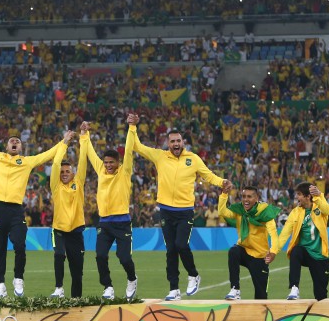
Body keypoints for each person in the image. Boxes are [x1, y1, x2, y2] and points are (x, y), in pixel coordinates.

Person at [0, 117, 67, 297]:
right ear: (6, 147)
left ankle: (18, 278)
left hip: (16, 210)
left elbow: (48, 154)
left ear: (21, 148)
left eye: (18, 141)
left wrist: (64, 142)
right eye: (11, 141)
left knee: (20, 245)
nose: (14, 142)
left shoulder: (27, 162)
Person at [133, 127, 232, 300]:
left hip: (185, 211)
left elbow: (208, 175)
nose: (176, 144)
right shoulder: (160, 156)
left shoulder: (193, 159)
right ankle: (174, 289)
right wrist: (133, 127)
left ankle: (193, 275)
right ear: (168, 143)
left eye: (178, 141)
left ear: (183, 142)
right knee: (170, 250)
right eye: (172, 141)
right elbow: (138, 146)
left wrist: (222, 182)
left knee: (180, 245)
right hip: (165, 210)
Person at [81, 116, 139, 300]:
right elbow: (90, 153)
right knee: (100, 256)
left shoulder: (124, 172)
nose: (107, 166)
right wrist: (84, 134)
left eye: (111, 162)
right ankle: (108, 287)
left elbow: (129, 150)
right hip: (104, 222)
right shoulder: (101, 170)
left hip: (122, 222)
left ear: (118, 162)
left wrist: (131, 127)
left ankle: (132, 279)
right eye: (105, 162)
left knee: (124, 258)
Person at [219, 185, 279, 300]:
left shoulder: (265, 212)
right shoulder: (239, 210)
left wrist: (273, 252)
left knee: (261, 297)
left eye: (249, 197)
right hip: (244, 250)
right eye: (244, 196)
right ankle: (235, 289)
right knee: (233, 251)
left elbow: (274, 234)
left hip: (260, 256)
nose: (246, 199)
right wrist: (224, 195)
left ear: (256, 198)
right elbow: (222, 212)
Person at [275, 182, 329, 300]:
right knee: (296, 251)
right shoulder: (295, 212)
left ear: (308, 196)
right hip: (305, 253)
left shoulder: (320, 207)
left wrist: (320, 195)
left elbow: (327, 209)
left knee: (321, 295)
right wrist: (274, 250)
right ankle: (294, 288)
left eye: (299, 194)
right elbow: (285, 233)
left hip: (320, 256)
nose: (297, 197)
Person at [49, 129, 86, 298]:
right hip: (59, 230)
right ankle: (59, 288)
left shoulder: (78, 183)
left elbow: (83, 161)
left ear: (73, 173)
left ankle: (76, 300)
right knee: (58, 255)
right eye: (62, 172)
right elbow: (56, 163)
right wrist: (64, 142)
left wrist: (84, 137)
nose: (64, 174)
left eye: (67, 172)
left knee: (77, 271)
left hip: (76, 231)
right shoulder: (56, 187)